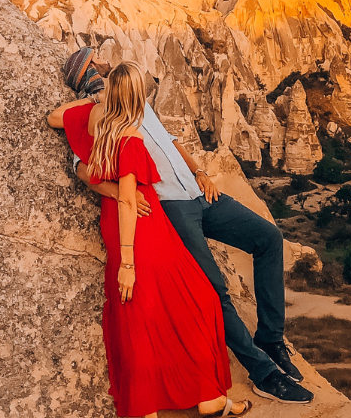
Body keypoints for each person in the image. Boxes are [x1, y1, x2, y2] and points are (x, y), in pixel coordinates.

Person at [60, 48, 313, 405]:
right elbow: (81, 165)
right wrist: (119, 192)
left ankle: (270, 339)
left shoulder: (135, 98)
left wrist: (199, 171)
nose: (104, 62)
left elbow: (171, 142)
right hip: (170, 207)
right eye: (94, 61)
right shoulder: (96, 113)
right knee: (215, 288)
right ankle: (263, 373)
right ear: (86, 73)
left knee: (269, 238)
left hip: (197, 190)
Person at [47, 62, 251, 418]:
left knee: (142, 312)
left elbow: (55, 119)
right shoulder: (129, 135)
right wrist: (128, 263)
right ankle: (207, 398)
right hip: (143, 227)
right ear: (138, 99)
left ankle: (157, 404)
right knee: (198, 300)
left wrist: (93, 98)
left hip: (118, 221)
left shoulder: (89, 118)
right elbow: (129, 198)